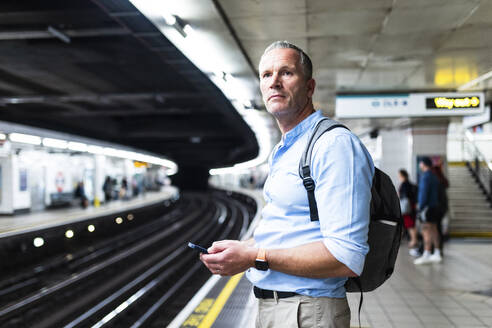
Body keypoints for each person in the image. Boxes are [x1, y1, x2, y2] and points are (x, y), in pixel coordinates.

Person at [200, 41, 374, 328]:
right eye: (266, 75)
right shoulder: (286, 149)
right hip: (279, 309)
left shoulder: (333, 145)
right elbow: (289, 229)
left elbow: (346, 257)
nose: (274, 82)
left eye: (286, 73)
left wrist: (254, 255)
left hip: (308, 312)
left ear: (310, 87)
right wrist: (241, 249)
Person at [414, 157, 442, 265]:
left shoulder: (425, 176)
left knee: (426, 230)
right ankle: (437, 253)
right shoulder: (434, 176)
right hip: (434, 206)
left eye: (420, 164)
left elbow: (423, 193)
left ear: (423, 164)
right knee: (434, 229)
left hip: (427, 208)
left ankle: (427, 253)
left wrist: (420, 206)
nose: (420, 165)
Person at [398, 169, 419, 256]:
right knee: (409, 224)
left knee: (410, 225)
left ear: (402, 175)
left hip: (407, 208)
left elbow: (404, 196)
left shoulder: (404, 184)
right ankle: (413, 240)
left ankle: (414, 240)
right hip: (411, 207)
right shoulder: (410, 184)